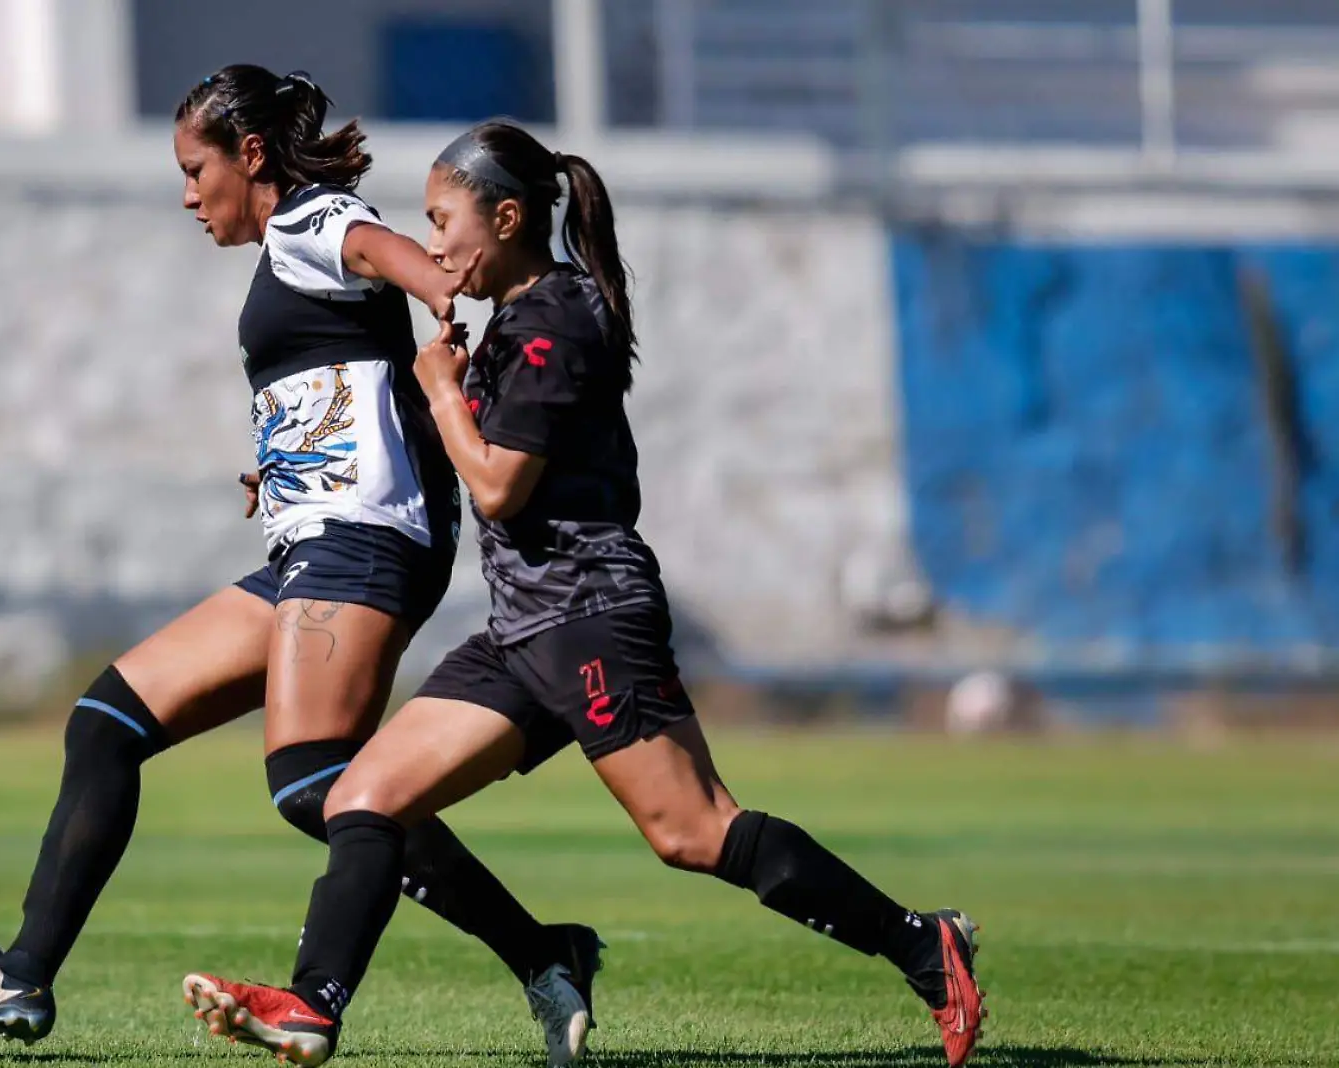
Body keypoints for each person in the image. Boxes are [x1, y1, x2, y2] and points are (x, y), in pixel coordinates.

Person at [179, 120, 986, 1068]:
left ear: (508, 217)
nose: (434, 247)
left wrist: (440, 391)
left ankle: (923, 945)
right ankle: (313, 1005)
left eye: (444, 222)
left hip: (591, 614)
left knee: (692, 832)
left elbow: (498, 486)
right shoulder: (514, 322)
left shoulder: (558, 317)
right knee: (365, 796)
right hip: (523, 626)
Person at [0, 71, 602, 1064]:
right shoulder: (288, 246)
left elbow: (396, 259)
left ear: (250, 157)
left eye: (195, 169)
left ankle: (526, 953)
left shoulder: (313, 223)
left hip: (362, 544)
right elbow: (363, 372)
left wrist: (439, 295)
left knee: (318, 783)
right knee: (106, 723)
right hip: (311, 544)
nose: (188, 194)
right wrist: (291, 455)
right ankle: (24, 980)